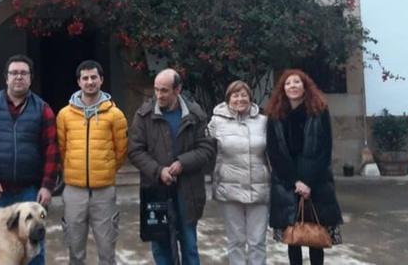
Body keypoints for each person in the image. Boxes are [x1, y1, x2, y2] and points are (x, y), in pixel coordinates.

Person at [0, 55, 59, 265]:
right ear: (6, 78)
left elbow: (51, 150)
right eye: (14, 73)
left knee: (33, 247)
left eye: (23, 73)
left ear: (30, 78)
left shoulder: (43, 109)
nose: (18, 77)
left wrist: (47, 187)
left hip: (29, 191)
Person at [128, 68, 215, 265]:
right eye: (156, 90)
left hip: (188, 190)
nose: (159, 95)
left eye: (165, 90)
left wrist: (183, 163)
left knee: (189, 245)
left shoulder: (195, 114)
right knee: (160, 246)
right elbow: (135, 151)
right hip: (156, 189)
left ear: (178, 90)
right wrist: (159, 170)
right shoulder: (144, 115)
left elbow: (207, 149)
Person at [264, 69, 342, 265]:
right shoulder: (274, 115)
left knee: (315, 236)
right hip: (287, 182)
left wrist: (308, 183)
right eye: (288, 83)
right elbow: (274, 152)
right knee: (294, 236)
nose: (292, 86)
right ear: (283, 88)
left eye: (296, 82)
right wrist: (294, 182)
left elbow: (325, 149)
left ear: (305, 85)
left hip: (316, 181)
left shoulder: (319, 111)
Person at [56, 60, 128, 265]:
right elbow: (62, 148)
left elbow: (121, 150)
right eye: (85, 78)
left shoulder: (115, 115)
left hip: (104, 191)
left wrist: (105, 169)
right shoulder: (64, 115)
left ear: (101, 80)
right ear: (78, 82)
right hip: (74, 190)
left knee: (107, 251)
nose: (90, 82)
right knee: (75, 251)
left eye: (93, 77)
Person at [208, 80, 270, 265]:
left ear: (250, 98)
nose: (239, 99)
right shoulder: (216, 122)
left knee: (257, 241)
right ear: (228, 99)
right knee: (235, 241)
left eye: (244, 95)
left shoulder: (263, 122)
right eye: (235, 95)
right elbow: (207, 151)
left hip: (259, 188)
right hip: (229, 188)